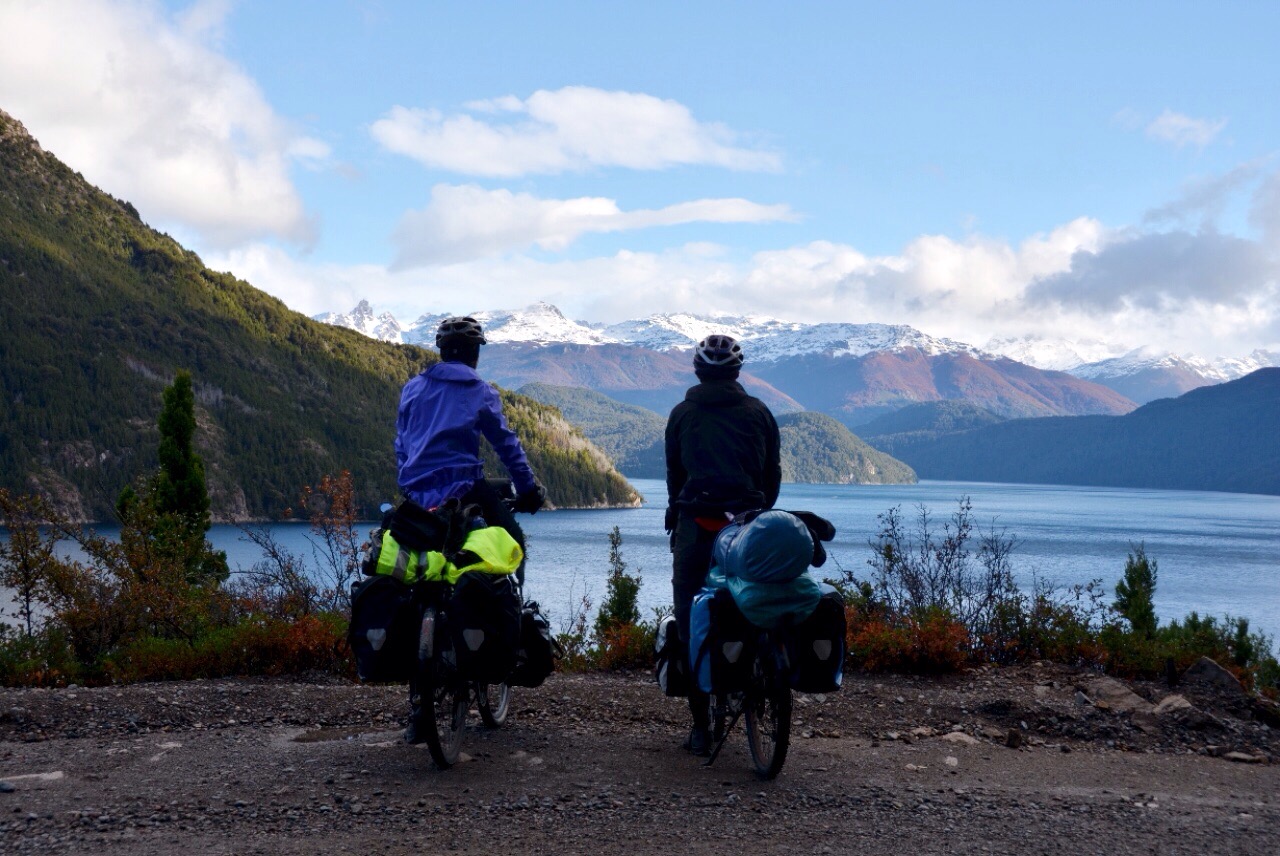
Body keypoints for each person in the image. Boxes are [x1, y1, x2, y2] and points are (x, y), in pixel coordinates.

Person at [665, 333, 781, 755]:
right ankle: (759, 677)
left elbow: (675, 476)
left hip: (696, 525)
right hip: (748, 526)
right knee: (756, 603)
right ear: (737, 372)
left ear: (698, 371)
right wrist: (759, 508)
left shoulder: (682, 414)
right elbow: (772, 475)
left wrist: (677, 511)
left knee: (689, 617)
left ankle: (701, 728)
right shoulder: (759, 412)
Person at [395, 315, 546, 541]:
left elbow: (402, 443)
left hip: (417, 495)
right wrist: (528, 490)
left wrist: (408, 484)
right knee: (514, 540)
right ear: (475, 353)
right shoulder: (480, 391)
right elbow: (506, 446)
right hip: (463, 490)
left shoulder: (412, 388)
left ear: (442, 352)